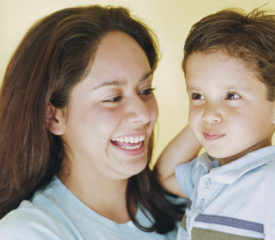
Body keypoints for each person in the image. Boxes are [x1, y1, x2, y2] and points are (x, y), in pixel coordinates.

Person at [0, 5, 199, 239]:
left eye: (146, 90)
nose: (144, 115)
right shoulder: (28, 232)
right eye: (112, 98)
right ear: (53, 117)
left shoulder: (187, 203)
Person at [156, 8, 275, 239]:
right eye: (197, 95)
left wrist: (207, 112)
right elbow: (164, 177)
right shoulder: (207, 174)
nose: (209, 114)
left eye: (232, 96)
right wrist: (203, 119)